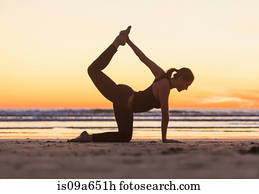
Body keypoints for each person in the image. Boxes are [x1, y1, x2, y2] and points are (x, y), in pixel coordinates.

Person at [68, 26, 194, 143]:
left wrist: (128, 41)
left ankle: (87, 137)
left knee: (125, 137)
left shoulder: (161, 75)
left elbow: (143, 58)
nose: (186, 88)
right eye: (187, 84)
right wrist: (164, 139)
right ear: (181, 78)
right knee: (93, 70)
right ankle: (116, 43)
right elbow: (165, 115)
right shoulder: (165, 85)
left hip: (125, 102)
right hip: (123, 97)